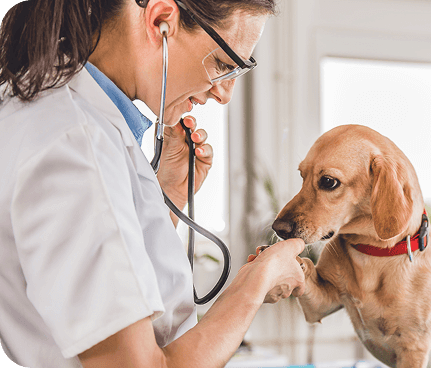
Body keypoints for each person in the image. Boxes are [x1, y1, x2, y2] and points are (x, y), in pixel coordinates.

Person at [0, 0, 305, 367]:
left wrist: (167, 196)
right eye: (225, 64)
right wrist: (254, 284)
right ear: (161, 20)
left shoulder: (69, 118)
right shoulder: (74, 145)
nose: (224, 95)